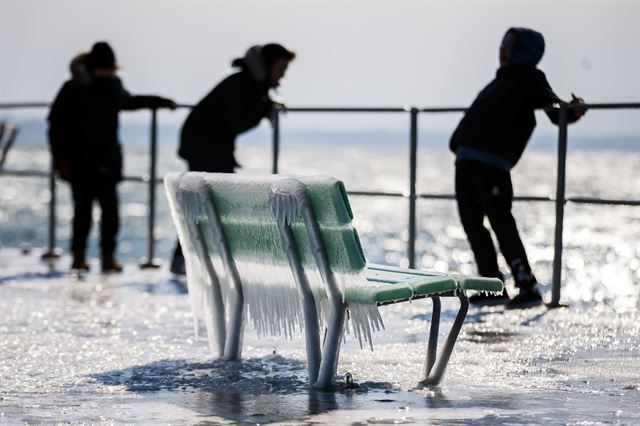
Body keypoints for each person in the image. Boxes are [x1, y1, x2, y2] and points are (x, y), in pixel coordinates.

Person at [449, 28, 586, 309]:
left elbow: (555, 111)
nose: (501, 50)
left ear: (523, 50)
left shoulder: (531, 79)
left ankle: (527, 284)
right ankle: (491, 285)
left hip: (491, 165)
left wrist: (572, 110)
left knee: (500, 221)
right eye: (502, 44)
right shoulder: (500, 81)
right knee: (472, 223)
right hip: (467, 161)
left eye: (508, 45)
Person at [48, 42, 176, 273]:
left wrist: (159, 101)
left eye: (111, 69)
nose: (109, 73)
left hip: (108, 160)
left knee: (111, 212)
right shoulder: (73, 88)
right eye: (105, 68)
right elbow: (55, 124)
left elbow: (130, 101)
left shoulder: (114, 85)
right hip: (79, 162)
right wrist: (61, 158)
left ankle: (108, 257)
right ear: (92, 67)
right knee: (82, 213)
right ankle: (78, 258)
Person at [170, 43, 295, 275]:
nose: (283, 73)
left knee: (208, 201)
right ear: (267, 66)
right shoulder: (243, 85)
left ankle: (192, 257)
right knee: (210, 201)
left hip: (208, 145)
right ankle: (187, 257)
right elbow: (238, 121)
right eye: (281, 67)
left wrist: (265, 105)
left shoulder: (251, 85)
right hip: (205, 146)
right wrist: (264, 109)